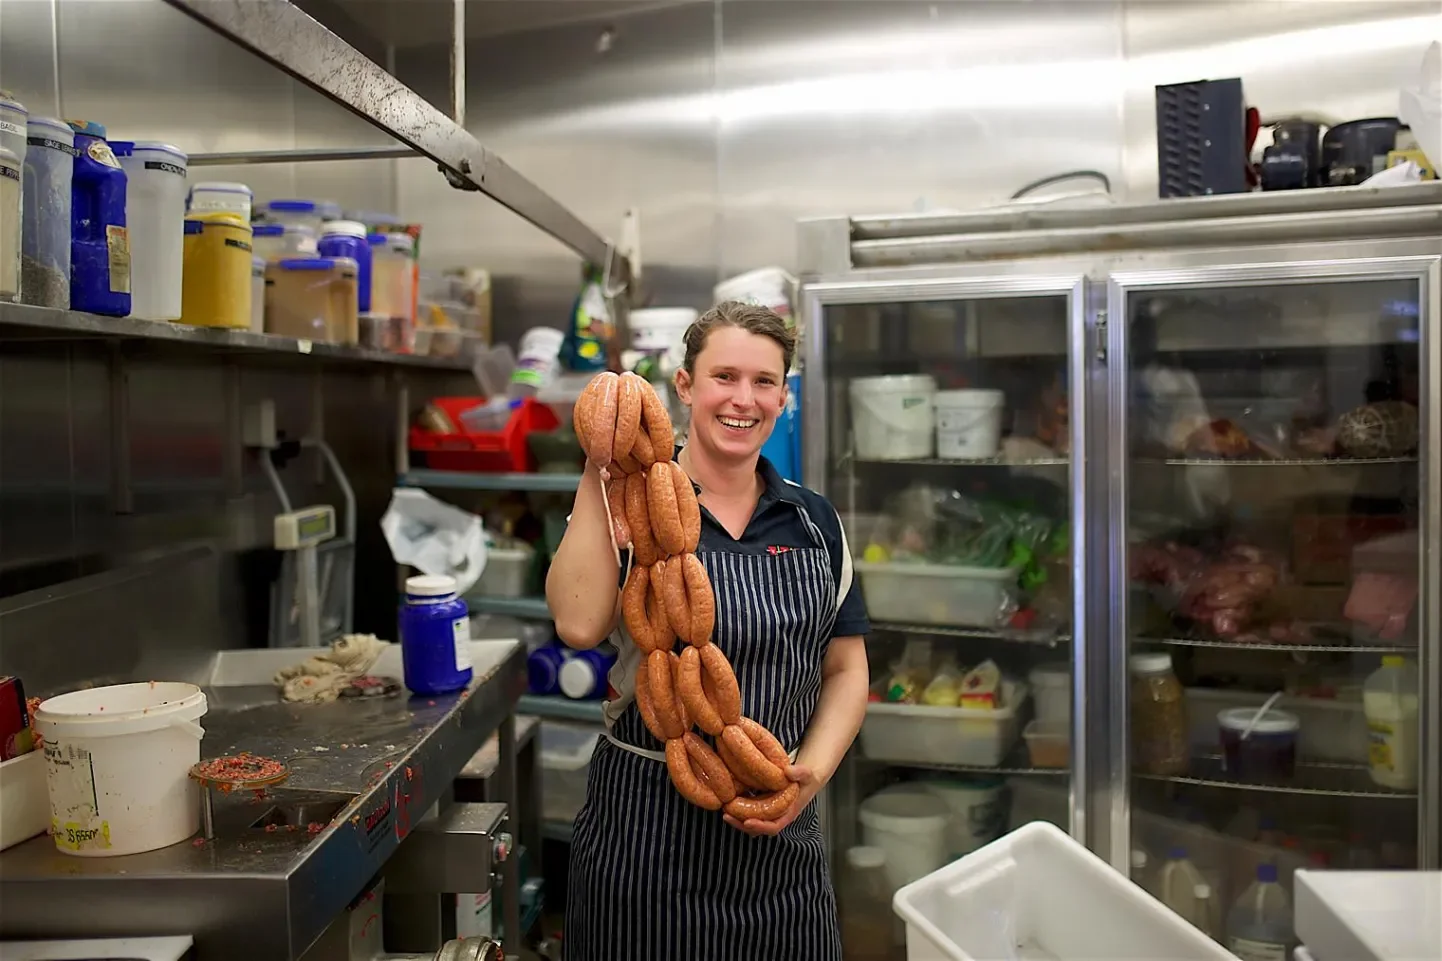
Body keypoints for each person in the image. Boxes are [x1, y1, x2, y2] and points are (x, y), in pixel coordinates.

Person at [545, 300, 871, 961]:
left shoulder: (814, 521)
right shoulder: (630, 504)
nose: (743, 399)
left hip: (781, 844)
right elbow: (579, 623)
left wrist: (809, 775)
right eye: (724, 376)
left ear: (784, 394)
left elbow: (845, 669)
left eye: (763, 381)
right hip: (644, 843)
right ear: (685, 385)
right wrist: (601, 466)